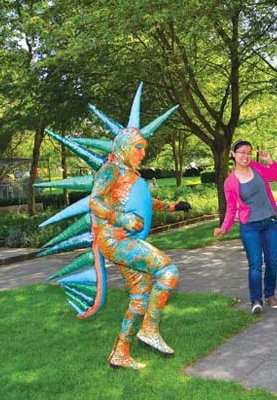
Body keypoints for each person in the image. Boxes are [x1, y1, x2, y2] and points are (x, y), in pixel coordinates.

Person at [90, 126, 191, 369]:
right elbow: (94, 200)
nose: (142, 153)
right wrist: (121, 219)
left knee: (140, 295)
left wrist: (172, 207)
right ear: (124, 146)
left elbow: (145, 201)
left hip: (125, 240)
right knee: (168, 272)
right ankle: (150, 329)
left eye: (144, 148)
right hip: (117, 239)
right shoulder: (110, 169)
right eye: (138, 147)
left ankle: (120, 353)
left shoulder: (131, 174)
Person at [214, 140, 277, 314]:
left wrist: (270, 161)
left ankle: (270, 294)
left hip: (270, 222)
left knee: (272, 262)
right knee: (255, 264)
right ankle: (256, 301)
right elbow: (231, 208)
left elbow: (276, 176)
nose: (245, 156)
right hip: (249, 226)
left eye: (248, 153)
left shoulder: (257, 168)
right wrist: (224, 228)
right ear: (233, 154)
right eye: (242, 152)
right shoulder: (230, 182)